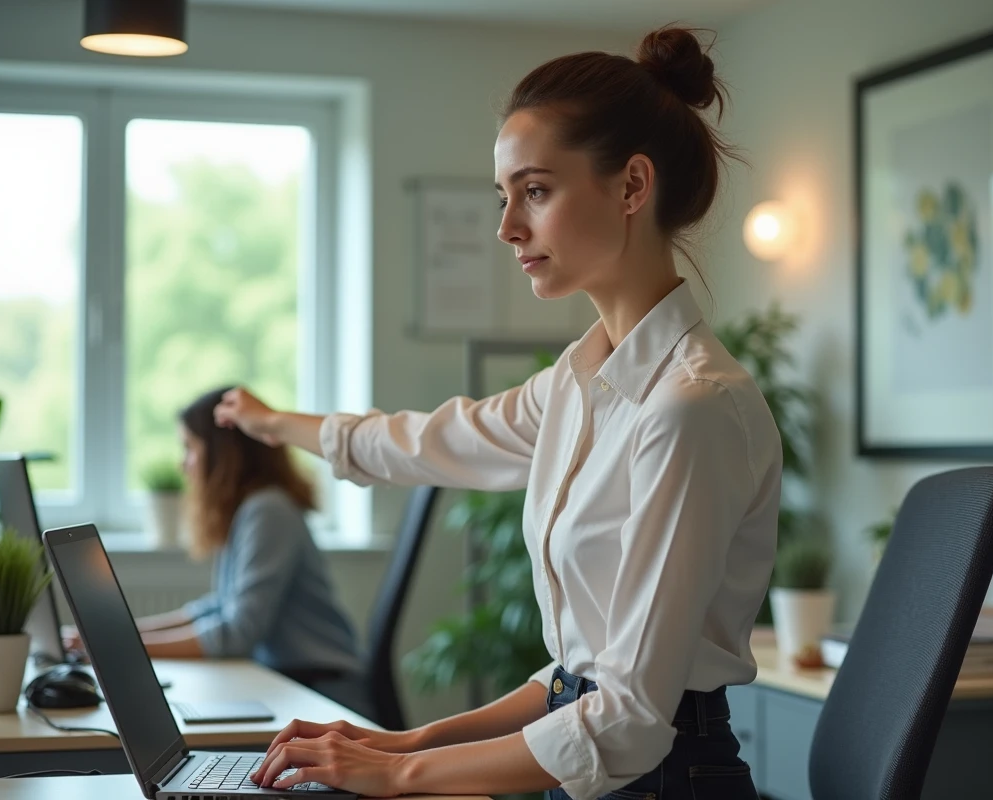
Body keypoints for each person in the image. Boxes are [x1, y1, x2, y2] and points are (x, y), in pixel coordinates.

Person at [218, 24, 780, 800]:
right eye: (505, 196)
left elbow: (627, 720)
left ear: (631, 186)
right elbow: (429, 444)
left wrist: (400, 772)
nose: (507, 226)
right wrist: (406, 740)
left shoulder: (690, 408)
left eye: (535, 191)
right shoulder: (577, 384)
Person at [65, 388, 363, 692]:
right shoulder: (249, 510)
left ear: (224, 454)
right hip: (290, 680)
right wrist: (114, 635)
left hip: (323, 687)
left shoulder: (269, 511)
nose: (184, 464)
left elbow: (237, 633)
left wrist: (116, 647)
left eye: (190, 448)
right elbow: (219, 608)